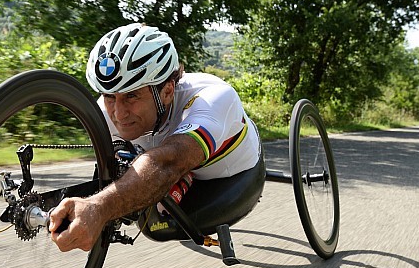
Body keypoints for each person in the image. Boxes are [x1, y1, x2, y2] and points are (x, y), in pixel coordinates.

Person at [49, 22, 262, 252]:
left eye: (131, 96)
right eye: (110, 97)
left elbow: (170, 161)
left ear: (168, 91)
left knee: (160, 220)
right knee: (151, 218)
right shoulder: (105, 110)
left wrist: (98, 207)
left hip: (234, 176)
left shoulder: (213, 97)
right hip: (170, 166)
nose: (118, 114)